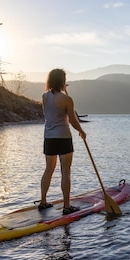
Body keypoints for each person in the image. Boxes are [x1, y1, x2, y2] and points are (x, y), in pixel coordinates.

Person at [39, 68, 87, 214]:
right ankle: (67, 206)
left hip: (49, 138)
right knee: (65, 172)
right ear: (62, 81)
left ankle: (43, 201)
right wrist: (81, 131)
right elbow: (72, 120)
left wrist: (64, 93)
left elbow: (53, 110)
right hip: (63, 137)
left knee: (49, 169)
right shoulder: (67, 100)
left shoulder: (44, 96)